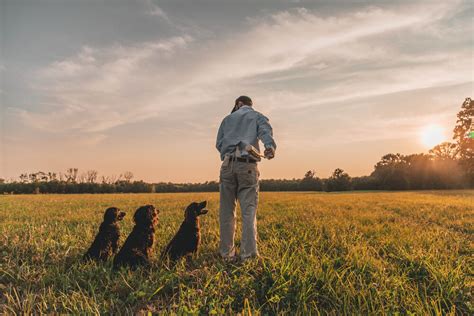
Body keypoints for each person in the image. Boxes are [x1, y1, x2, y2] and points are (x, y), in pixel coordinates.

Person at [216, 95, 276, 261]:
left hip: (227, 166)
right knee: (249, 212)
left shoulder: (227, 119)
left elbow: (219, 144)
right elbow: (265, 132)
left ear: (238, 104)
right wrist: (269, 147)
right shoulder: (257, 116)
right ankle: (247, 256)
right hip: (248, 165)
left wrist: (229, 150)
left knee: (226, 212)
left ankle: (226, 254)